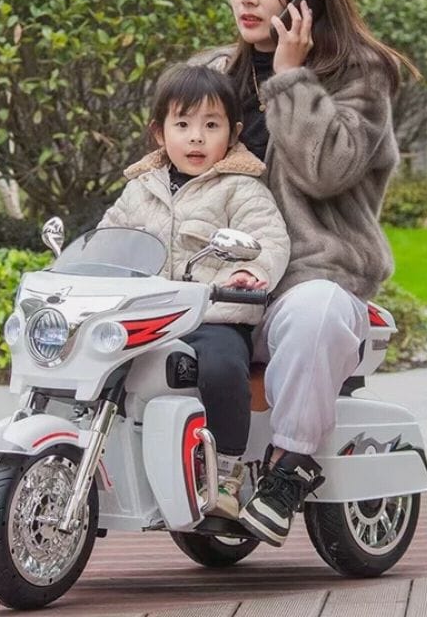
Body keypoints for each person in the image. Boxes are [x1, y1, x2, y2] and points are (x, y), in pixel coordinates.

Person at [191, 0, 419, 546]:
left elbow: (326, 171)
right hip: (223, 282)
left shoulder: (361, 74)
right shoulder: (214, 70)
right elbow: (171, 169)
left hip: (308, 281)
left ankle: (290, 466)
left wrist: (290, 76)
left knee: (314, 311)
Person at [98, 63, 290, 520]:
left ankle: (226, 469)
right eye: (182, 125)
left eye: (211, 125)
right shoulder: (140, 190)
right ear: (159, 133)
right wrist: (84, 270)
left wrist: (249, 271)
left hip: (212, 317)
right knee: (95, 364)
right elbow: (109, 237)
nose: (196, 138)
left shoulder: (240, 188)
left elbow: (269, 239)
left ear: (234, 133)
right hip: (148, 319)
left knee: (223, 367)